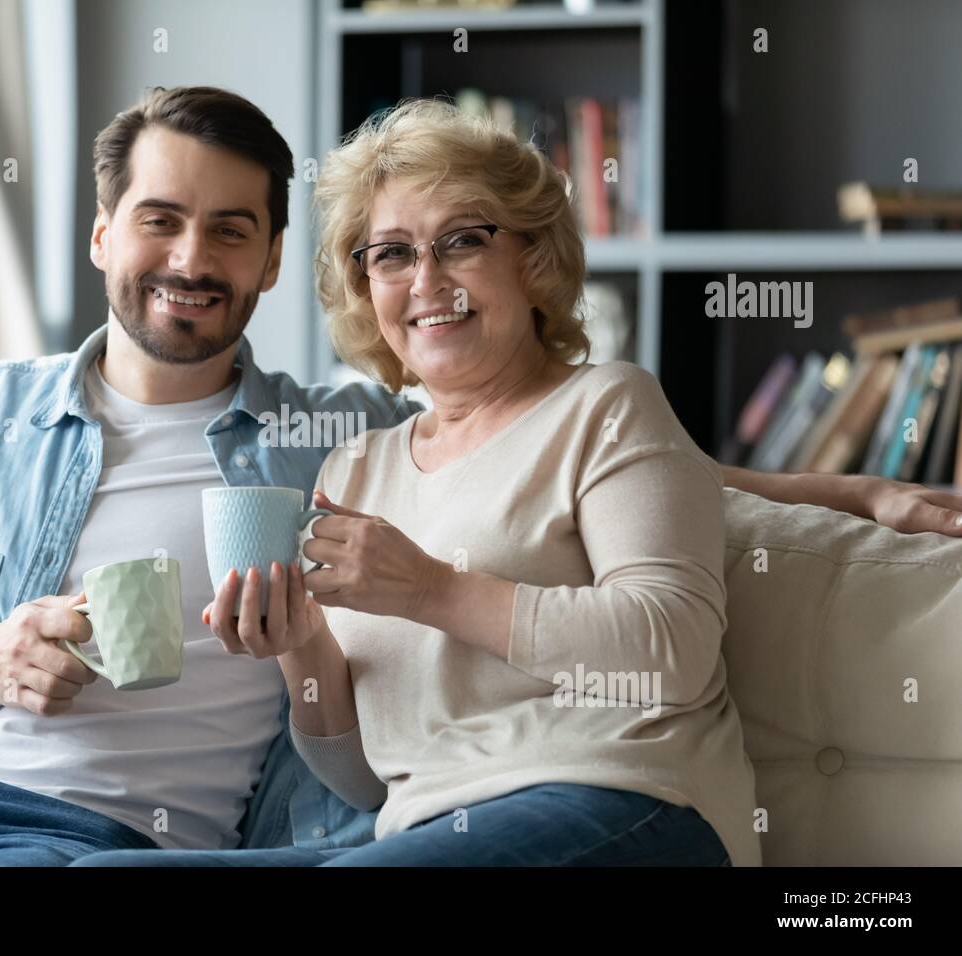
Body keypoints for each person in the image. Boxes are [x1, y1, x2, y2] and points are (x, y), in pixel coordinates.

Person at [0, 87, 956, 868]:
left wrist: (865, 496)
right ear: (103, 229)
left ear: (275, 261)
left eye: (232, 228)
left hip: (78, 845)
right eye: (160, 219)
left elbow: (604, 454)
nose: (191, 255)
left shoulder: (313, 445)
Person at [74, 97, 962, 869]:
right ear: (363, 284)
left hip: (628, 808)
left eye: (463, 241)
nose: (427, 282)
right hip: (425, 834)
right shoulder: (357, 467)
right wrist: (303, 645)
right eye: (389, 254)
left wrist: (430, 588)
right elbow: (364, 775)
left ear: (530, 257)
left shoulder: (607, 405)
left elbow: (672, 650)